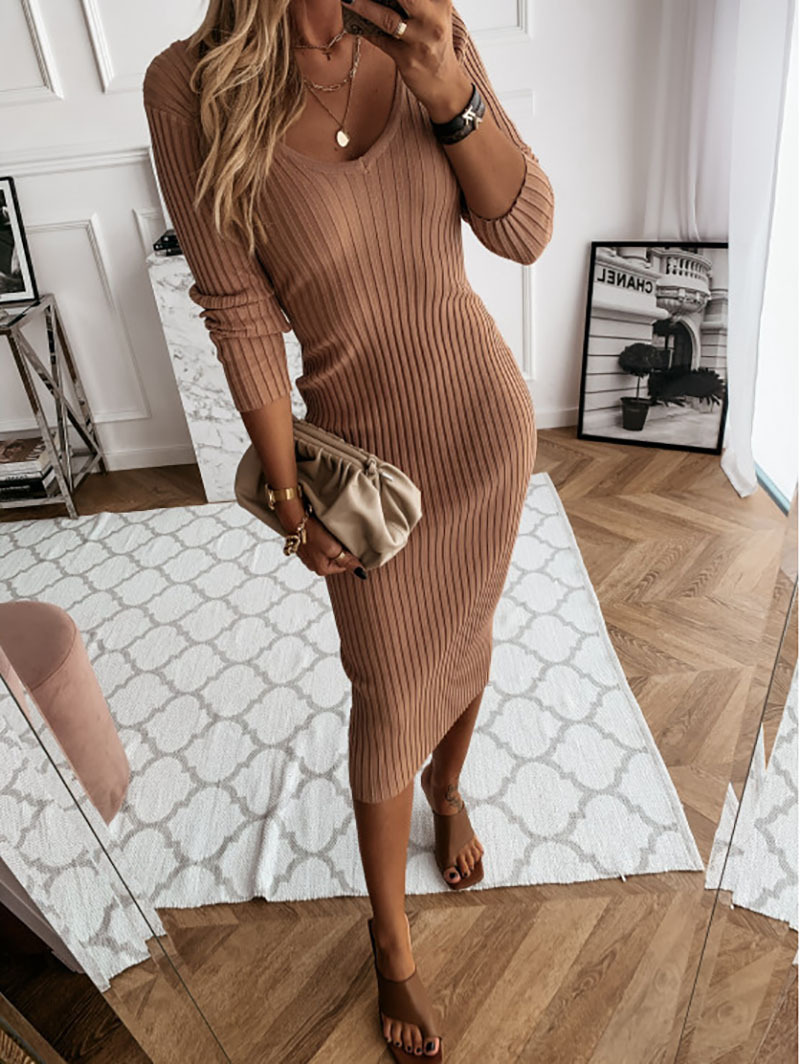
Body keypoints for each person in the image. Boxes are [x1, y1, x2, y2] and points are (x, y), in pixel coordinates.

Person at [143, 0, 554, 1057]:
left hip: (483, 428)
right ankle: (390, 943)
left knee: (465, 633)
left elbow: (522, 231)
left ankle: (447, 788)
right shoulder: (188, 86)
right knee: (385, 689)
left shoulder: (423, 25)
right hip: (368, 476)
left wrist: (450, 92)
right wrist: (290, 505)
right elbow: (238, 313)